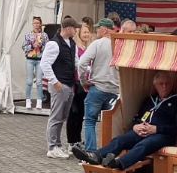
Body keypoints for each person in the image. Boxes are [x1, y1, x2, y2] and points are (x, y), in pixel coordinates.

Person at [71, 71, 177, 169]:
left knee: (144, 144)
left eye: (167, 84)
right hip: (143, 131)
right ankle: (96, 156)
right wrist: (135, 126)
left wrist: (157, 129)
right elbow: (137, 118)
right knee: (120, 140)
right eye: (161, 84)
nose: (164, 86)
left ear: (171, 85)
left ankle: (119, 163)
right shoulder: (149, 99)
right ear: (155, 85)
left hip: (162, 135)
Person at [76, 18, 120, 151]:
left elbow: (82, 63)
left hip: (98, 88)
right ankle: (109, 151)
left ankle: (91, 151)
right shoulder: (119, 44)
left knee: (90, 121)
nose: (96, 31)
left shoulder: (97, 44)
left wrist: (84, 81)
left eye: (98, 28)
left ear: (105, 29)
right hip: (115, 90)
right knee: (110, 124)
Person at [40, 17, 80, 159]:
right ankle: (52, 147)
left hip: (68, 85)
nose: (76, 31)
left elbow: (76, 62)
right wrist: (55, 82)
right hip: (60, 85)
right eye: (75, 28)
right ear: (68, 28)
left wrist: (86, 69)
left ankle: (57, 144)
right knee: (56, 116)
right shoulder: (54, 44)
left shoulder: (72, 43)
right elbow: (44, 64)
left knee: (62, 117)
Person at [22, 17, 46, 110]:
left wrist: (41, 46)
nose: (36, 25)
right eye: (34, 23)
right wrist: (32, 45)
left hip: (40, 60)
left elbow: (47, 48)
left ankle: (39, 101)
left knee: (39, 82)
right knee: (29, 81)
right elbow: (23, 47)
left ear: (40, 24)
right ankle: (28, 100)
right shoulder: (28, 35)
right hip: (30, 59)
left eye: (37, 23)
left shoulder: (44, 35)